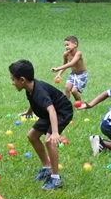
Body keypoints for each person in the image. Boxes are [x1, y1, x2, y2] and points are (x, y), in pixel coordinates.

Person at [9, 59, 73, 190]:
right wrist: (28, 112)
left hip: (61, 112)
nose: (12, 83)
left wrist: (55, 132)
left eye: (13, 79)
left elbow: (52, 110)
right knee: (32, 136)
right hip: (47, 113)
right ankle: (47, 167)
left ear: (22, 80)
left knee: (49, 141)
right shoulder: (29, 88)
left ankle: (56, 179)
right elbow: (34, 101)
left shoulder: (39, 92)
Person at [51, 35, 88, 105]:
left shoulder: (78, 53)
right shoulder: (66, 54)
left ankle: (80, 105)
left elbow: (71, 63)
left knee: (74, 91)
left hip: (82, 75)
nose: (66, 47)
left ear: (75, 44)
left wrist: (57, 68)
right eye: (65, 45)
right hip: (73, 74)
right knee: (67, 88)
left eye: (68, 45)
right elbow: (64, 65)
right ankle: (65, 105)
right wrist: (59, 74)